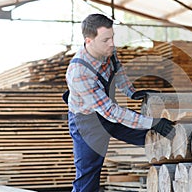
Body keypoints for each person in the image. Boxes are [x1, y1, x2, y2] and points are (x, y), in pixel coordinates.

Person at [64, 13, 176, 192]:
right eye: (105, 40)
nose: (112, 43)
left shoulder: (109, 51)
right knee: (88, 175)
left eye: (112, 37)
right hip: (88, 124)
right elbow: (110, 112)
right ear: (89, 41)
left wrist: (131, 92)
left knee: (152, 136)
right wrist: (152, 122)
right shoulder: (79, 72)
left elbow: (118, 71)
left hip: (108, 113)